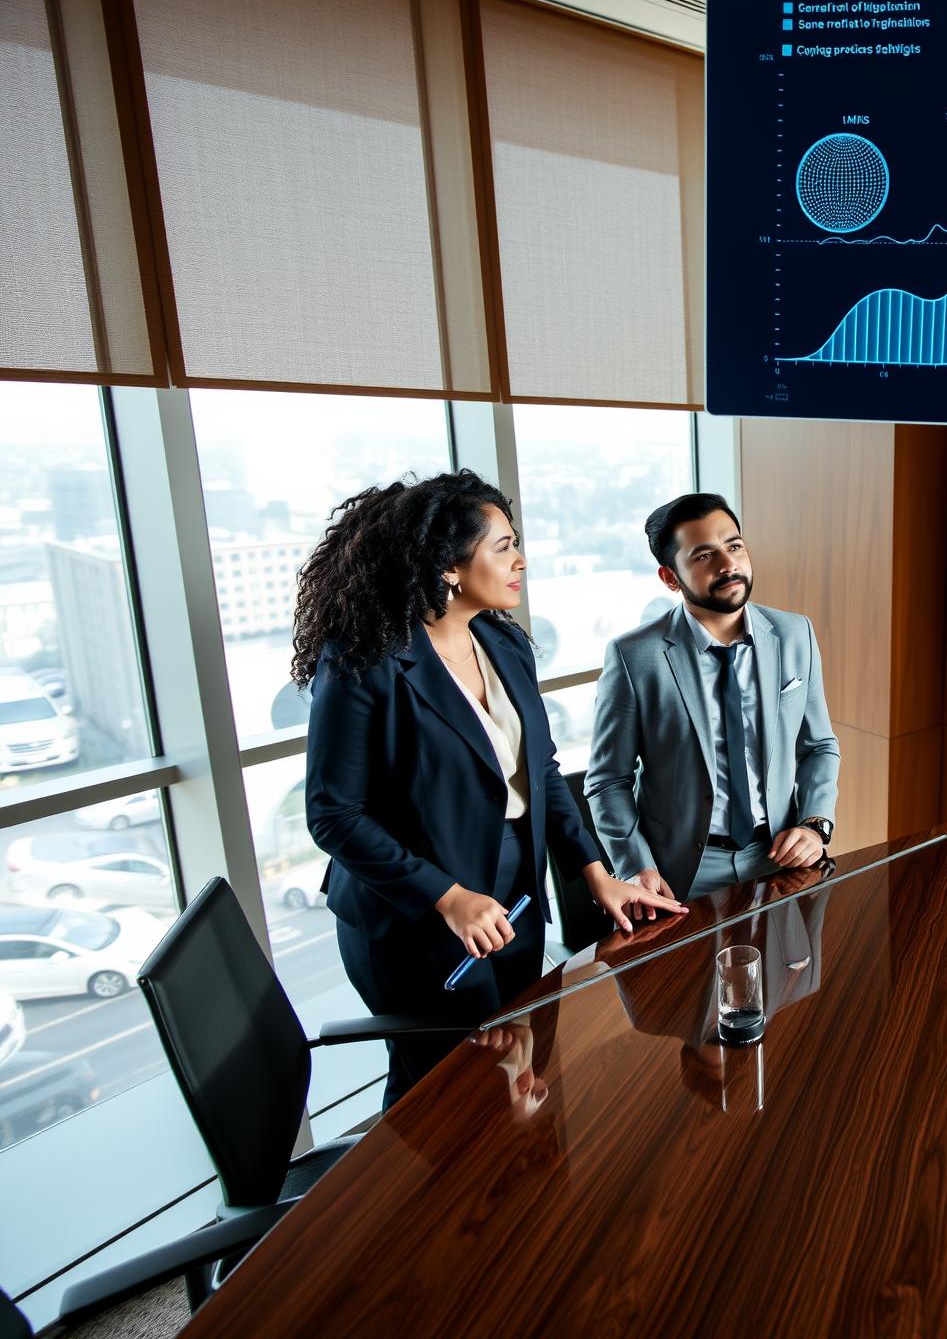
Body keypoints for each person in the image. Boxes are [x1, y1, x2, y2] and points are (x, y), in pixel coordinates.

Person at [295, 471, 685, 1108]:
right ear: (450, 566)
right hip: (413, 914)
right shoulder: (364, 661)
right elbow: (333, 815)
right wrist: (447, 899)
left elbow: (542, 772)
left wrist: (595, 872)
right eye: (503, 546)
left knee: (521, 1073)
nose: (520, 560)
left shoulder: (502, 641)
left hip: (514, 898)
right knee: (445, 1095)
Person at [587, 493, 841, 903]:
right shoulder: (635, 657)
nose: (729, 565)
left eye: (735, 546)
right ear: (671, 578)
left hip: (782, 859)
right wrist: (635, 865)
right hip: (679, 874)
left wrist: (815, 823)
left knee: (790, 967)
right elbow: (607, 780)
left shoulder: (796, 634)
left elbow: (819, 746)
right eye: (704, 556)